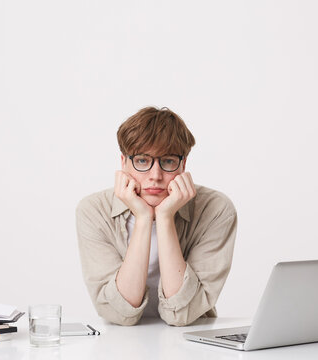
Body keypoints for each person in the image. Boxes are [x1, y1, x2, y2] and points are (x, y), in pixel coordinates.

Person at [76, 106, 237, 326]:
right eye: (142, 160)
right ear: (124, 163)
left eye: (168, 161)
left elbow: (182, 314)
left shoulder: (216, 210)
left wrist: (165, 217)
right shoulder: (93, 211)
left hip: (189, 341)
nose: (155, 176)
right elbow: (119, 312)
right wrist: (143, 219)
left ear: (183, 165)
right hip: (120, 344)